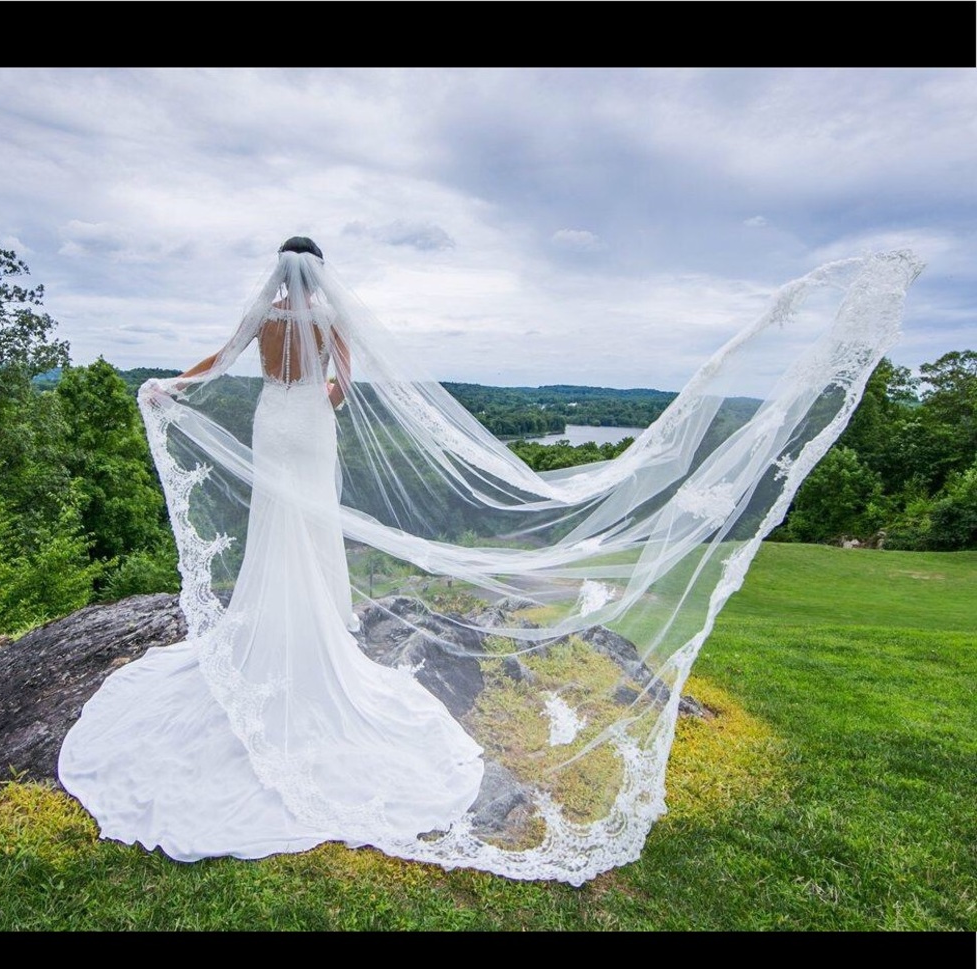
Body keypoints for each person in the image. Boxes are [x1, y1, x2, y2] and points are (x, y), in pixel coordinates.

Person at [59, 240, 923, 885]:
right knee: (311, 527)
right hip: (310, 427)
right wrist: (324, 390)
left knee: (274, 531)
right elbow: (342, 387)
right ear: (322, 275)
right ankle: (315, 626)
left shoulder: (267, 316)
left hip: (271, 421)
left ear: (278, 275)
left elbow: (218, 361)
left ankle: (274, 625)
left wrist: (171, 387)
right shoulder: (328, 321)